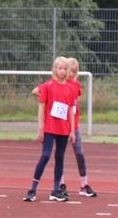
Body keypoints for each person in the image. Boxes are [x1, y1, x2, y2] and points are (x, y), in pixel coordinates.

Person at [32, 57, 97, 200]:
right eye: (70, 71)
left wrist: (72, 124)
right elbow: (37, 91)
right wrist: (49, 101)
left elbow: (73, 105)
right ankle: (60, 185)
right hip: (57, 124)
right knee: (56, 155)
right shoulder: (54, 84)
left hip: (72, 125)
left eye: (74, 71)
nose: (72, 74)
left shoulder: (75, 85)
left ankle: (84, 184)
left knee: (78, 152)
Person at [23, 56, 76, 202]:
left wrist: (72, 130)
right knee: (45, 155)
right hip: (50, 127)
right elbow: (41, 107)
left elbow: (71, 110)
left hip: (63, 129)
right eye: (59, 68)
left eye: (64, 69)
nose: (62, 71)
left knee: (60, 157)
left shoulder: (70, 88)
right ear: (55, 69)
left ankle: (56, 190)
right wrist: (41, 127)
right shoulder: (48, 86)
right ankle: (32, 189)